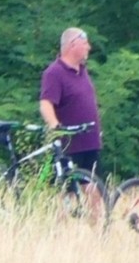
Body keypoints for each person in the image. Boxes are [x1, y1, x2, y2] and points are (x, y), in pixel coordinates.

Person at [39, 26, 102, 175]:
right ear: (73, 45)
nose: (88, 47)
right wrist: (55, 127)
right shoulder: (54, 72)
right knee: (69, 186)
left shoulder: (82, 71)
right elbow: (46, 103)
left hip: (90, 141)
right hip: (71, 145)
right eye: (85, 43)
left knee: (94, 184)